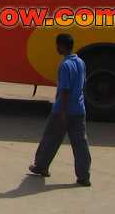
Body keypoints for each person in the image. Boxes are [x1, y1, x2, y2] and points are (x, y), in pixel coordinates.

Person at [28, 33, 91, 186]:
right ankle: (84, 176)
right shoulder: (80, 62)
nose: (56, 48)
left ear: (61, 46)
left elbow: (64, 91)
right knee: (80, 144)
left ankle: (41, 166)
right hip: (79, 110)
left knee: (50, 139)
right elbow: (83, 83)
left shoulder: (65, 65)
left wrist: (61, 112)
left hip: (63, 110)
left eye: (57, 45)